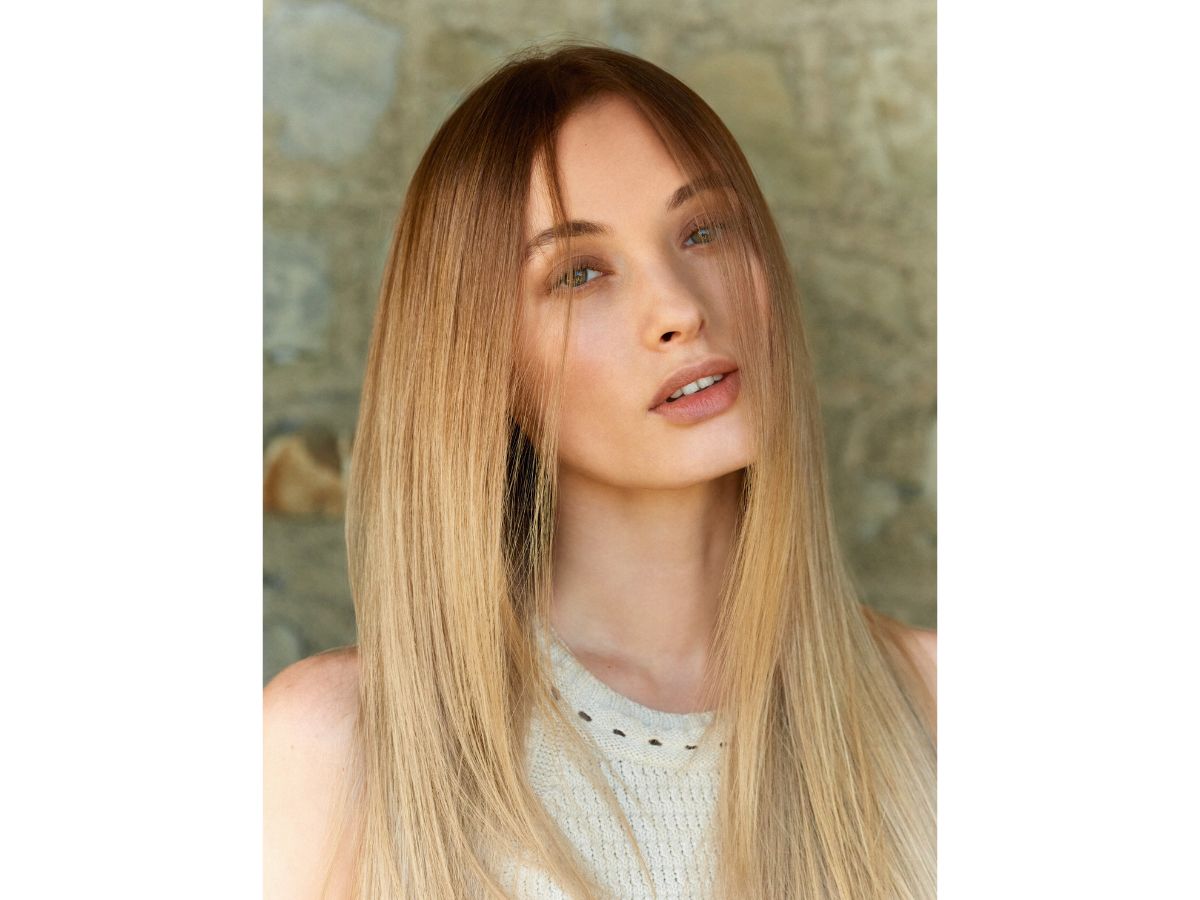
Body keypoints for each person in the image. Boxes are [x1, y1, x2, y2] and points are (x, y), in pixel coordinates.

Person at [264, 41, 936, 900]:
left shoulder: (934, 707)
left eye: (704, 230)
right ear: (482, 364)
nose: (680, 309)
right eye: (579, 274)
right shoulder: (333, 748)